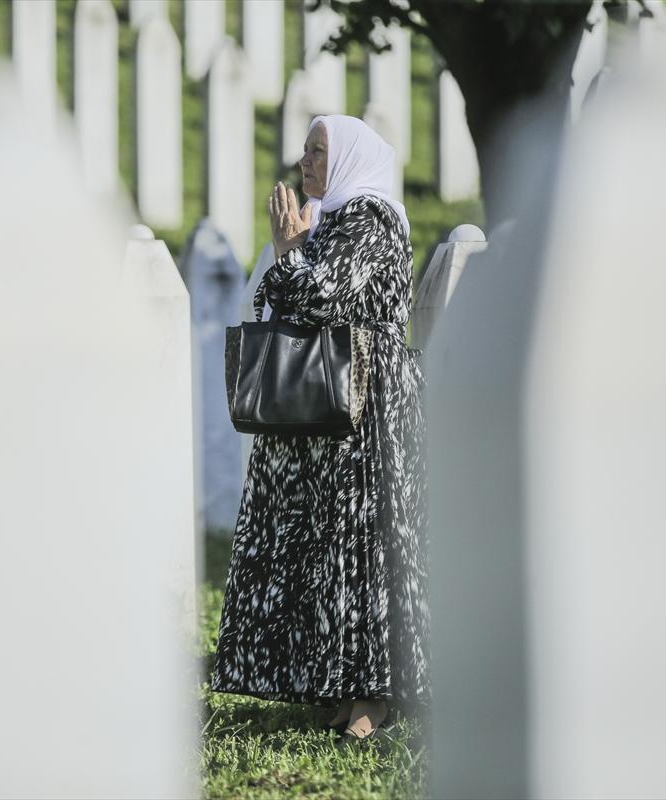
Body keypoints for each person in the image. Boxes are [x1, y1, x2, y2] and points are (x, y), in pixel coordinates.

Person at [210, 115, 430, 741]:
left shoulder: (370, 217)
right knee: (326, 546)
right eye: (305, 149)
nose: (304, 161)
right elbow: (275, 302)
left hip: (367, 404)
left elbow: (321, 293)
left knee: (365, 544)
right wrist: (291, 255)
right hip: (327, 401)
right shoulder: (328, 217)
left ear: (352, 158)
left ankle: (375, 696)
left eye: (318, 150)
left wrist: (288, 251)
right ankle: (336, 682)